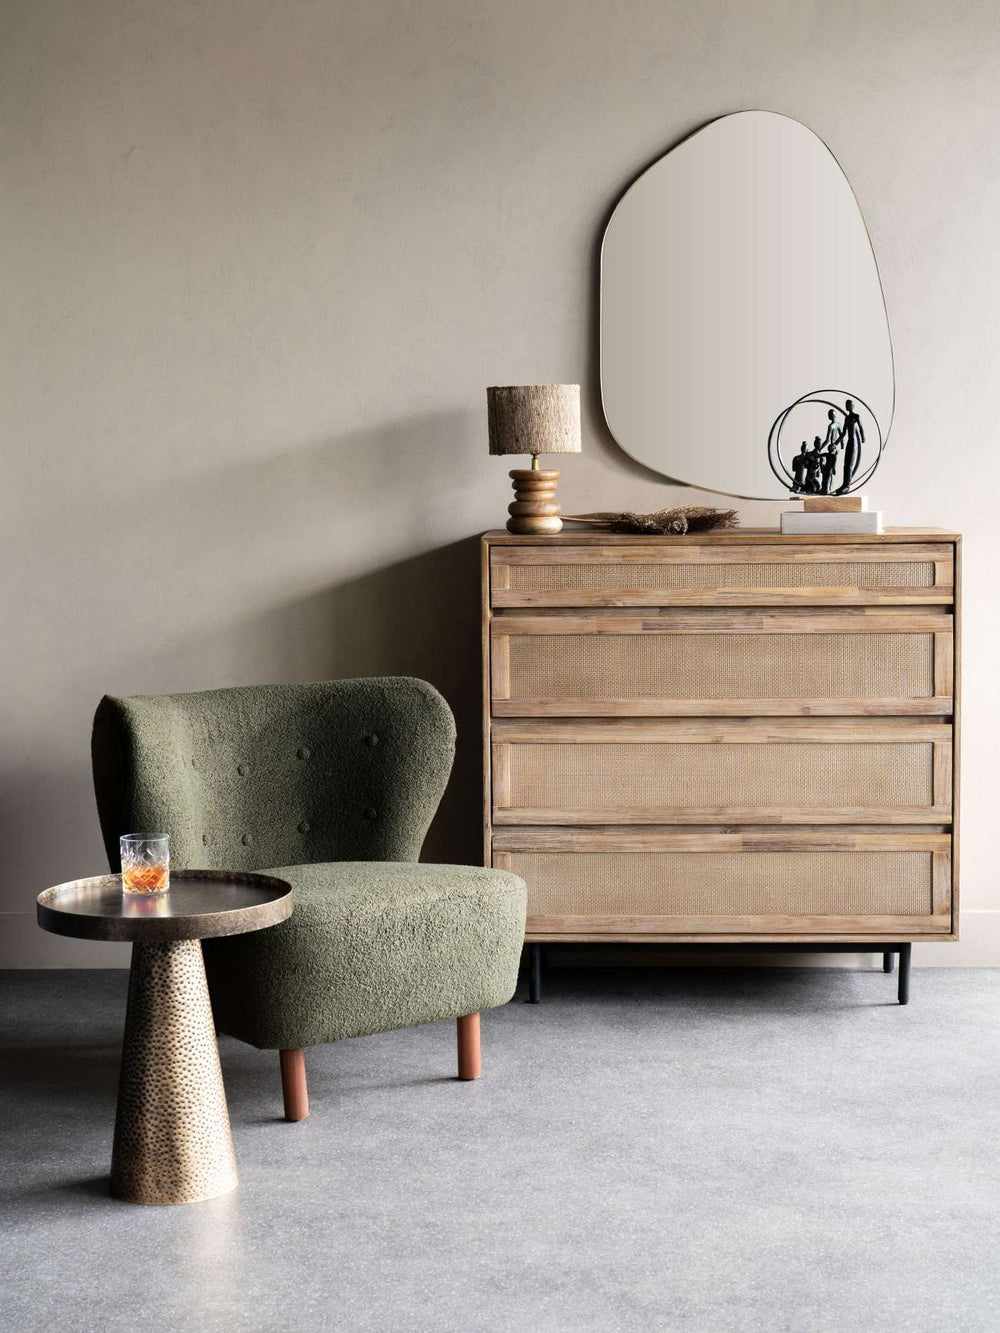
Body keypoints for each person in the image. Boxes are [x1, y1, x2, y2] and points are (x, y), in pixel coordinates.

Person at [836, 398, 864, 494]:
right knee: (846, 465)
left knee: (850, 465)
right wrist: (836, 443)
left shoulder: (856, 416)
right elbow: (843, 433)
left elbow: (861, 428)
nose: (847, 406)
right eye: (846, 405)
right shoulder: (847, 418)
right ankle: (844, 485)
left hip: (854, 442)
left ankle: (847, 486)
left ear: (852, 406)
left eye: (849, 405)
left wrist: (863, 438)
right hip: (849, 442)